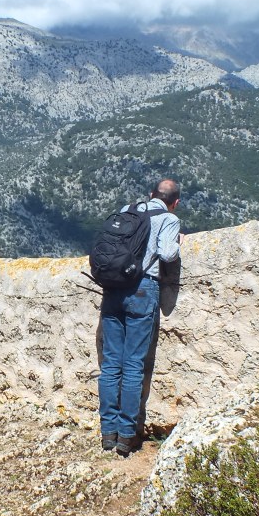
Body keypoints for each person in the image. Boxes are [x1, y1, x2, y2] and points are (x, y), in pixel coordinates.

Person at [99, 178, 182, 455]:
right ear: (175, 202)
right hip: (143, 290)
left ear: (150, 194)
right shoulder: (169, 219)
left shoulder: (128, 209)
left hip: (112, 289)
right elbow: (168, 253)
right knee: (134, 364)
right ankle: (126, 437)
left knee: (110, 364)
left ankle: (107, 433)